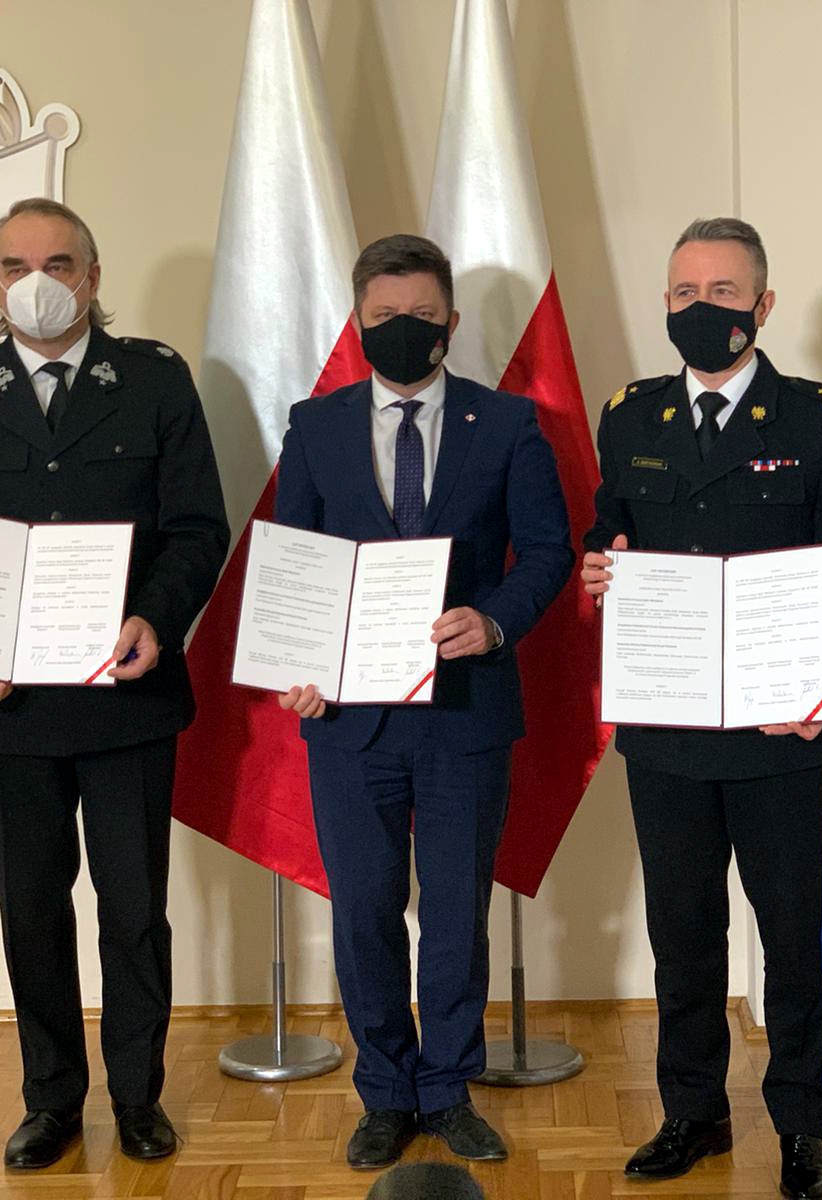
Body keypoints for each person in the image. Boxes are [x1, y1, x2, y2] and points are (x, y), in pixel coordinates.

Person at [0, 197, 229, 1169]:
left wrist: (155, 618)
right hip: (7, 709)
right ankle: (50, 1102)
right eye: (14, 265)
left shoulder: (155, 381)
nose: (36, 282)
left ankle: (138, 1098)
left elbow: (196, 529)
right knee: (31, 913)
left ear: (92, 277)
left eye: (58, 263)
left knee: (134, 914)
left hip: (128, 697)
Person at [581, 217, 822, 1199]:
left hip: (779, 732)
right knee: (682, 934)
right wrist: (598, 567)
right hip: (667, 729)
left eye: (721, 292)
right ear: (664, 303)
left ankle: (801, 1126)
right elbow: (610, 531)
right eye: (684, 293)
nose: (700, 308)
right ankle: (693, 1114)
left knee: (792, 937)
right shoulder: (630, 418)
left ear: (762, 305)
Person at [275, 234, 573, 1170]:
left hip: (465, 714)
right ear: (358, 321)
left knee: (455, 914)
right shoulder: (315, 426)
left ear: (450, 320)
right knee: (363, 911)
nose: (403, 328)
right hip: (347, 720)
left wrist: (494, 620)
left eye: (421, 315)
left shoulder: (508, 423)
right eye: (384, 316)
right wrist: (298, 659)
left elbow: (550, 551)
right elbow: (295, 562)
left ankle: (446, 1089)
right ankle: (385, 1092)